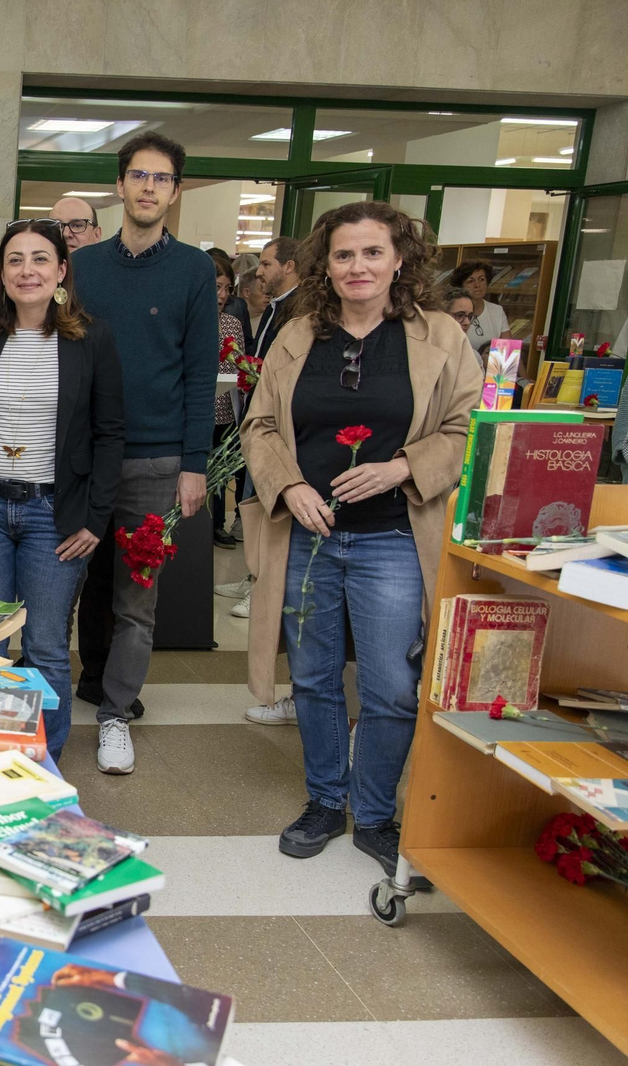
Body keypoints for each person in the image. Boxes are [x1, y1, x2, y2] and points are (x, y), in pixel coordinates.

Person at [242, 200, 480, 879]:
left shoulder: (440, 337)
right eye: (344, 254)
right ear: (327, 264)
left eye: (373, 252)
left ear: (399, 259)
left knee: (390, 687)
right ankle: (325, 801)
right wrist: (288, 485)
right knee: (314, 679)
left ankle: (374, 813)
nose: (358, 266)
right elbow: (259, 427)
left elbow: (468, 430)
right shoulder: (298, 336)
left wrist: (404, 466)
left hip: (392, 539)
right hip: (310, 538)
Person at [68, 130, 217, 775]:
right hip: (80, 458)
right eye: (138, 176)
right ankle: (47, 692)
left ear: (174, 191)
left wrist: (194, 464)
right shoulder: (84, 267)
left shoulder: (193, 271)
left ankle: (114, 714)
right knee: (65, 583)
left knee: (137, 596)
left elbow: (200, 373)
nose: (149, 187)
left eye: (161, 178)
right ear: (120, 186)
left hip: (156, 461)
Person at [0, 219, 124, 760]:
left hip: (55, 512)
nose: (27, 270)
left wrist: (95, 519)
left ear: (61, 271)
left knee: (45, 645)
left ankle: (43, 763)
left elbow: (110, 433)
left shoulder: (91, 338)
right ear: (0, 274)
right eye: (15, 260)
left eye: (40, 259)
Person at [234, 235, 309, 724]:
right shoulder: (287, 319)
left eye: (266, 263)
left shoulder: (297, 314)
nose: (260, 271)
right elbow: (263, 415)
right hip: (285, 476)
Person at [210, 256, 247, 549]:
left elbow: (240, 366)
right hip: (192, 410)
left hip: (224, 411)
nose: (222, 295)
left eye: (227, 289)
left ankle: (217, 525)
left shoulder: (232, 323)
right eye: (217, 287)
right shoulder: (188, 319)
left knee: (220, 471)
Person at [449, 259, 507, 351]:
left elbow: (507, 357)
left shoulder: (497, 311)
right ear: (461, 285)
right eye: (470, 281)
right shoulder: (451, 310)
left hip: (489, 365)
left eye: (481, 279)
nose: (477, 285)